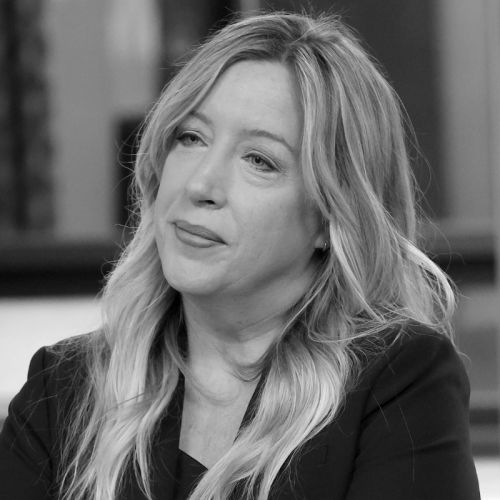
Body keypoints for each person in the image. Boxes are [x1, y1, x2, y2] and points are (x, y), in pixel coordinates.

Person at [0, 11, 480, 500]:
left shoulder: (398, 383)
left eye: (259, 160)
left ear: (329, 215)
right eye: (191, 138)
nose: (201, 184)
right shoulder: (62, 389)